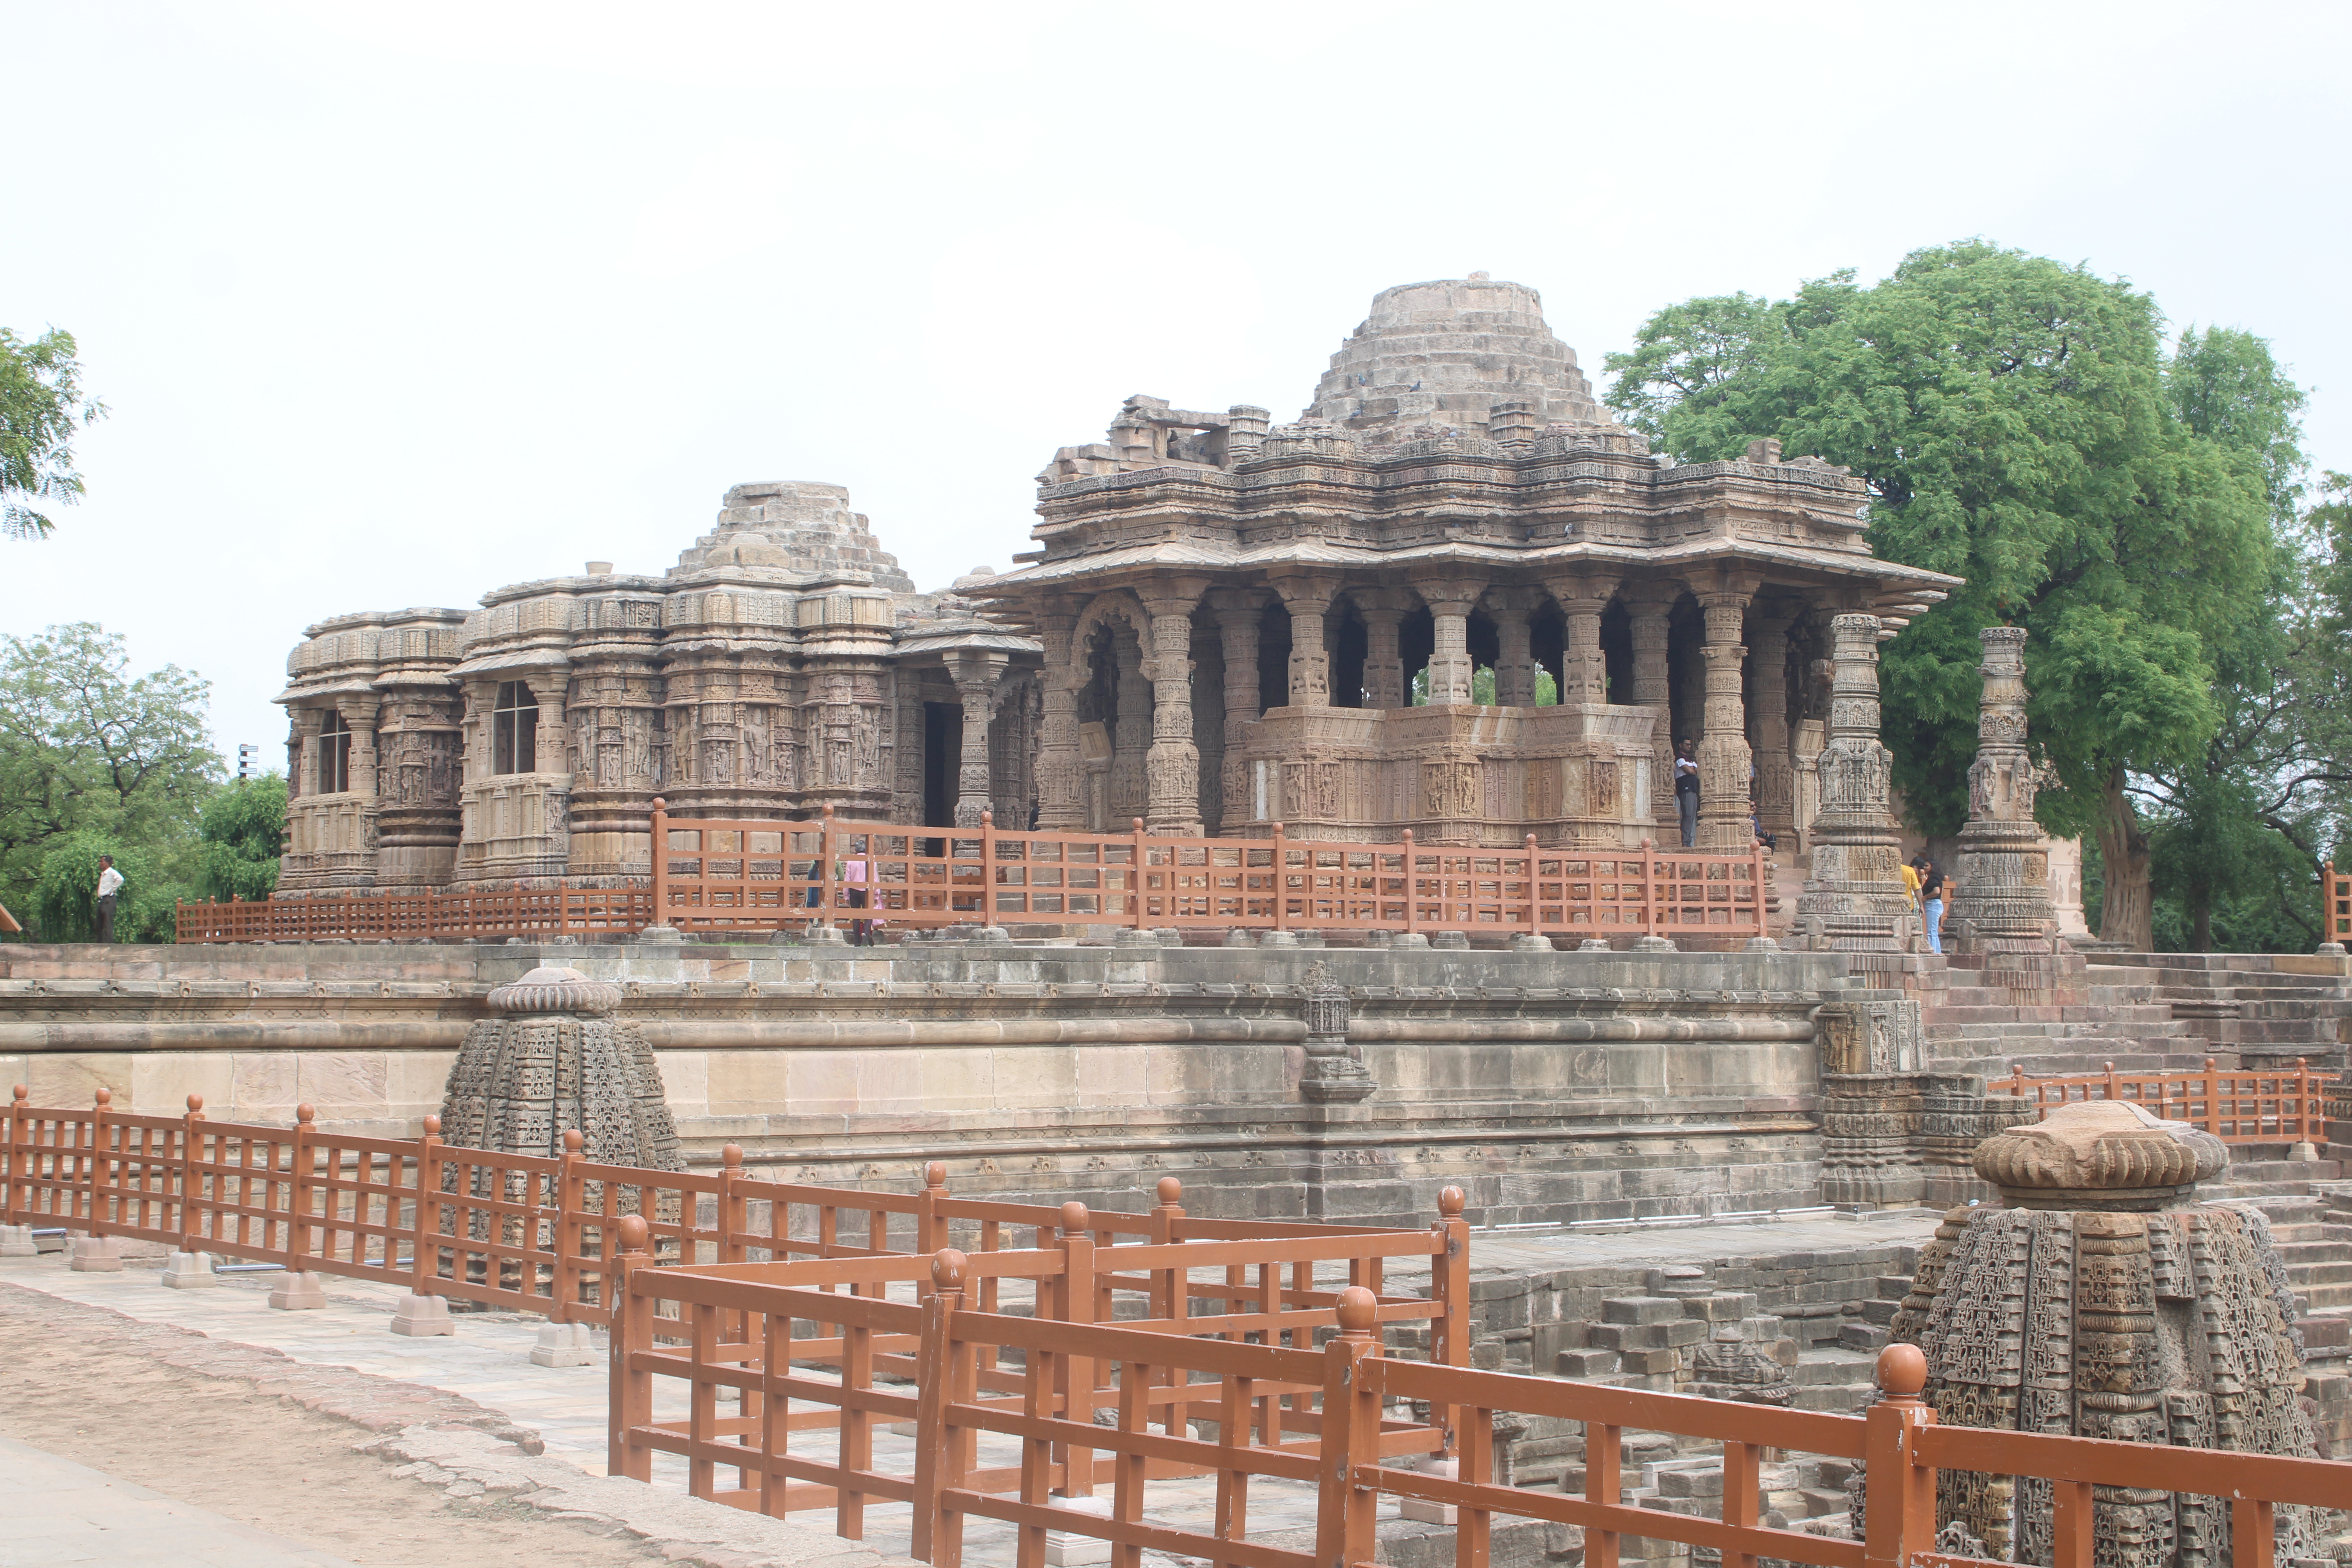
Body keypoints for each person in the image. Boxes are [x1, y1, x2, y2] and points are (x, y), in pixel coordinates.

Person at [1916, 855, 1945, 955]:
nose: (1925, 868)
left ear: (1933, 867)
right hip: (1934, 905)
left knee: (1931, 932)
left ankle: (1933, 953)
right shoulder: (1934, 878)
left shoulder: (1933, 878)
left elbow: (1937, 891)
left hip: (1933, 904)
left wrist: (1925, 898)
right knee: (1933, 932)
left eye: (1927, 866)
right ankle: (1937, 952)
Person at [1673, 740, 1699, 848]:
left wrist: (1693, 769)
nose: (1689, 746)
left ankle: (1688, 839)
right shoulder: (1679, 758)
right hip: (1685, 788)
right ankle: (1685, 841)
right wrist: (1692, 769)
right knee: (1688, 814)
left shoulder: (1691, 760)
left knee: (1692, 815)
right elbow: (1691, 771)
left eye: (1690, 744)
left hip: (1693, 789)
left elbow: (1698, 770)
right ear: (1680, 745)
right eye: (1687, 744)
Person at [94, 854, 122, 943]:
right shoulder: (104, 874)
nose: (100, 863)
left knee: (107, 923)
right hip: (102, 900)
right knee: (99, 924)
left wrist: (112, 889)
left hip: (109, 900)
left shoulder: (111, 872)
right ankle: (100, 943)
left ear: (107, 863)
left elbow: (120, 879)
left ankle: (108, 945)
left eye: (102, 862)